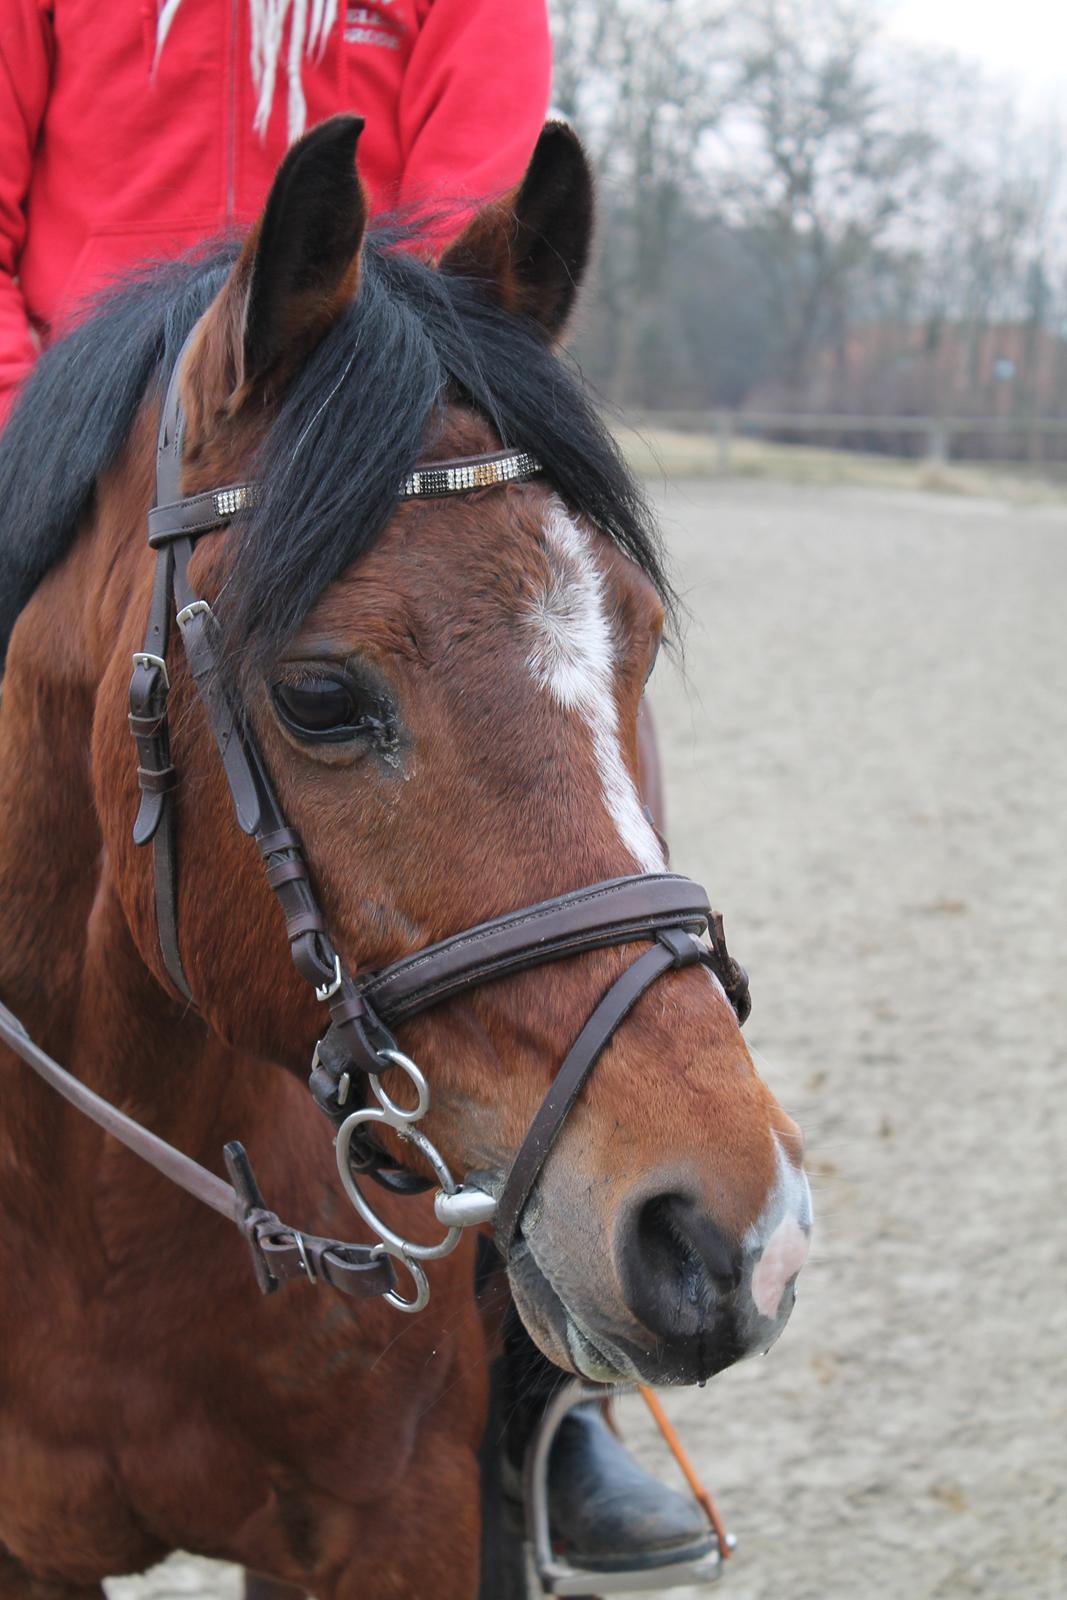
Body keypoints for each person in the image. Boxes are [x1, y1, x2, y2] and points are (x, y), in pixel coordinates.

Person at [0, 0, 708, 1579]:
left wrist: (364, 407)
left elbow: (473, 217)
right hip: (77, 460)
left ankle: (544, 1381)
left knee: (570, 757)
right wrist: (61, 457)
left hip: (355, 437)